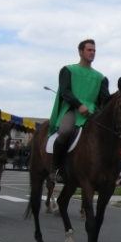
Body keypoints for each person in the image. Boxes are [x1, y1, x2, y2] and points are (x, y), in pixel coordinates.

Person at [48, 39, 110, 183]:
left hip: (93, 112)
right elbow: (65, 91)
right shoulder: (68, 70)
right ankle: (55, 167)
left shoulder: (100, 77)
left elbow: (104, 100)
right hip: (72, 109)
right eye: (89, 50)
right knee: (65, 132)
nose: (92, 53)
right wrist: (79, 105)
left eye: (94, 50)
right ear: (81, 52)